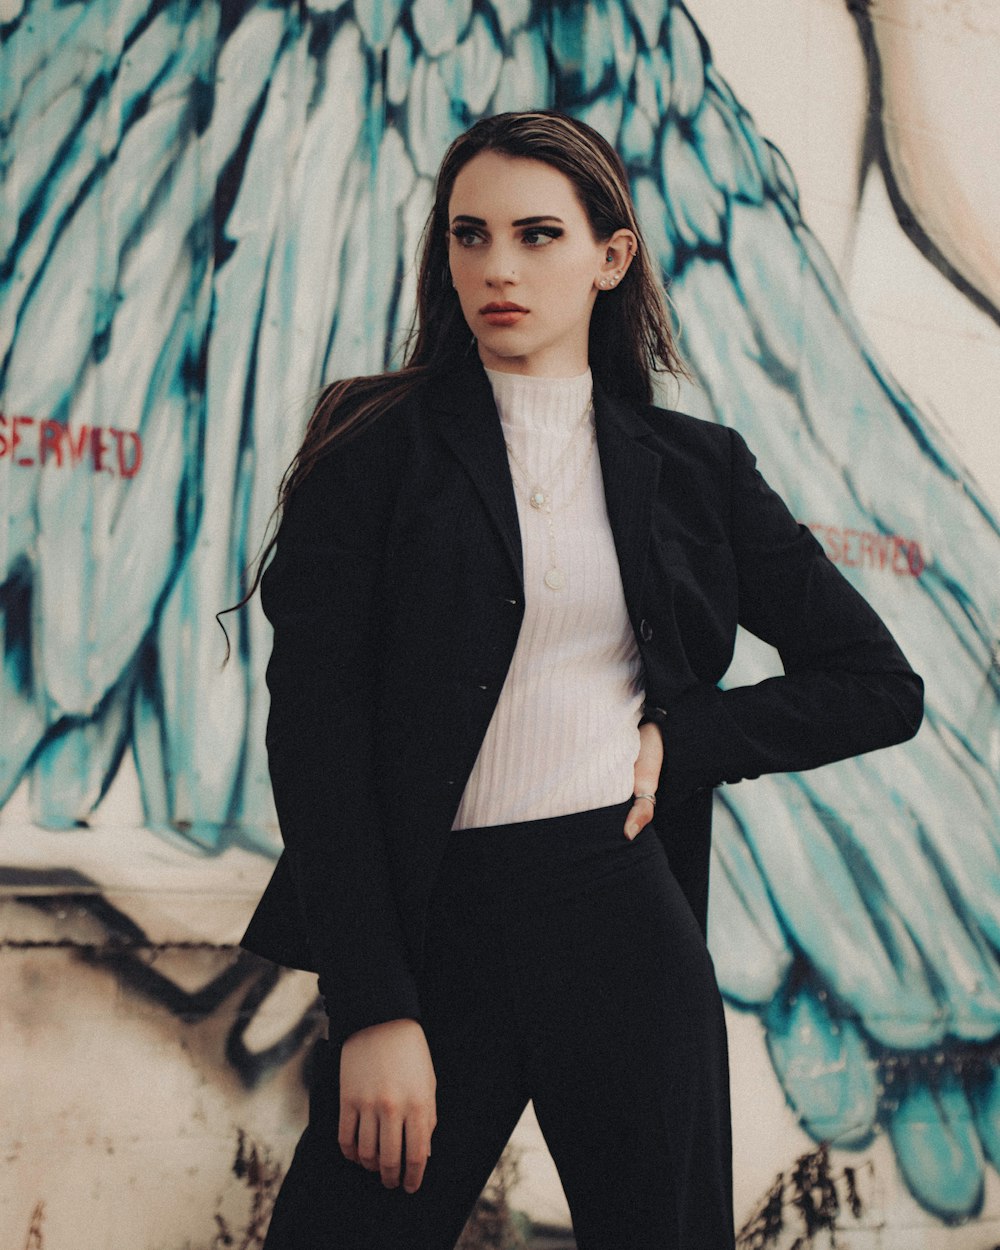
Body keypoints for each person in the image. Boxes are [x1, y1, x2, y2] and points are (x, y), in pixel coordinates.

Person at [240, 110, 923, 1249]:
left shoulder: (698, 469)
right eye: (469, 236)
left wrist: (677, 742)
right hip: (433, 923)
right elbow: (315, 742)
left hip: (617, 913)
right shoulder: (373, 446)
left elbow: (874, 682)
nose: (496, 267)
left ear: (612, 257)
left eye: (536, 234)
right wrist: (374, 1003)